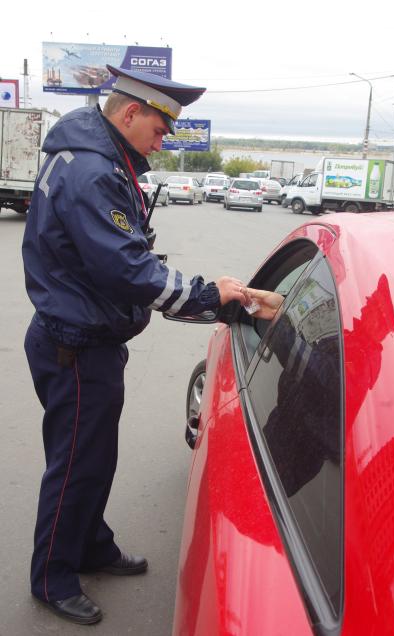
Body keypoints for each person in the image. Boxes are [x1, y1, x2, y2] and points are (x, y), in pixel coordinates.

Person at [21, 65, 274, 625]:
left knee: (93, 458)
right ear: (129, 113)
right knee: (76, 465)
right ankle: (51, 576)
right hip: (77, 345)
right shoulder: (94, 173)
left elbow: (117, 258)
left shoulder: (95, 152)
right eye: (160, 131)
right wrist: (216, 297)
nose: (163, 143)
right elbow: (128, 270)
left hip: (83, 337)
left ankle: (90, 544)